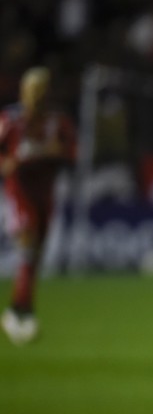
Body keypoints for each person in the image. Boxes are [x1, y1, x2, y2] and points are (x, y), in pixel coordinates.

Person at [0, 67, 76, 345]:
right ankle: (22, 313)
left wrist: (56, 153)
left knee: (36, 254)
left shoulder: (58, 122)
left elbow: (71, 152)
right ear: (23, 92)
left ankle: (18, 309)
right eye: (33, 90)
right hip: (19, 192)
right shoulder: (10, 120)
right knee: (28, 244)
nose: (37, 96)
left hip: (45, 193)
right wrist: (8, 163)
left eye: (42, 90)